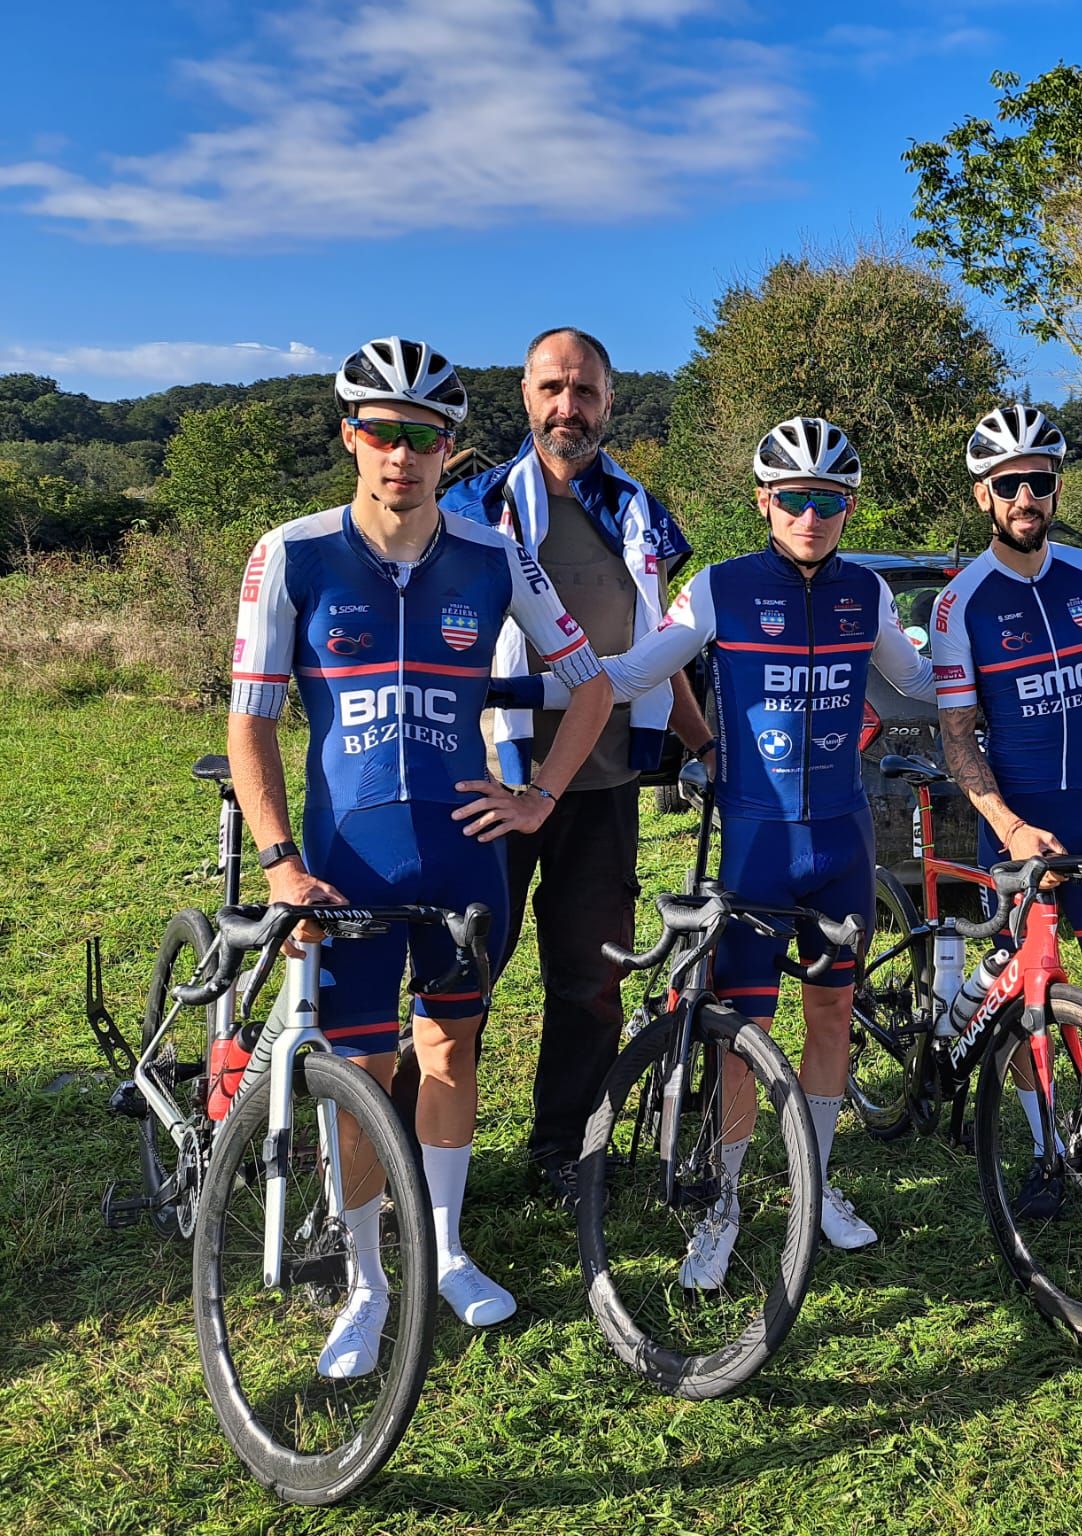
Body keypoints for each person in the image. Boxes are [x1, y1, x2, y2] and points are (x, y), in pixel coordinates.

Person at [228, 337, 614, 1372]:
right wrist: (277, 862)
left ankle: (445, 1249)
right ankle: (365, 1281)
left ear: (451, 449)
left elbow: (590, 683)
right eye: (382, 433)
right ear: (350, 436)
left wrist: (537, 797)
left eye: (425, 438)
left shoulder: (493, 552)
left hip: (460, 861)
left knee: (449, 1051)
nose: (402, 455)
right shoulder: (293, 552)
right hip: (344, 867)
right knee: (360, 1064)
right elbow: (251, 724)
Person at [522, 416, 934, 1282]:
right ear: (764, 503)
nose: (810, 516)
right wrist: (536, 673)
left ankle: (813, 1192)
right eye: (793, 500)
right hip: (754, 845)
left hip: (842, 844)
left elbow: (919, 683)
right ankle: (726, 1201)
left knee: (830, 1016)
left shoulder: (869, 594)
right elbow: (634, 673)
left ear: (849, 507)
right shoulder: (718, 587)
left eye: (828, 500)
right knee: (742, 1033)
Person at [442, 327, 710, 1207]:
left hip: (602, 783)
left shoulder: (640, 511)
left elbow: (659, 647)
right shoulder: (475, 507)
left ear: (609, 400)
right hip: (493, 778)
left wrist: (704, 746)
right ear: (524, 394)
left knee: (590, 982)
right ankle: (430, 1151)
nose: (570, 408)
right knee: (462, 975)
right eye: (553, 388)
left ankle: (564, 1148)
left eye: (586, 391)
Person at [929, 404, 1082, 1217]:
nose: (1026, 496)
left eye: (1039, 481)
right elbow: (959, 739)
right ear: (984, 496)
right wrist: (1009, 828)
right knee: (1031, 995)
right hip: (1023, 828)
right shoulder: (960, 605)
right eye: (1009, 484)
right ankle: (1044, 1153)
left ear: (1056, 487)